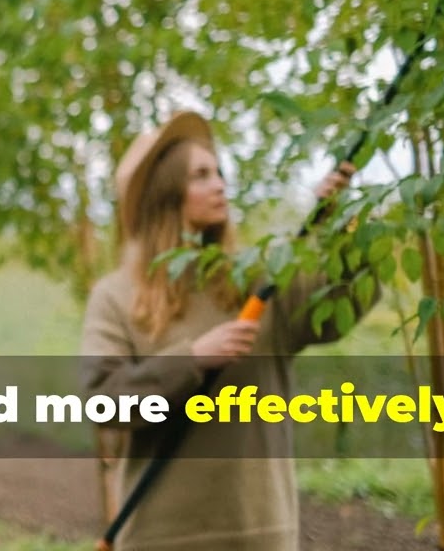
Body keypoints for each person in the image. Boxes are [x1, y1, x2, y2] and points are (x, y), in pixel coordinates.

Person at [80, 110, 373, 551]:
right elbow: (103, 404)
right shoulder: (117, 296)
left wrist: (342, 225)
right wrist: (191, 359)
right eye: (201, 175)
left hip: (260, 532)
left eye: (219, 172)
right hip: (159, 537)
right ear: (165, 193)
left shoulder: (256, 279)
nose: (220, 184)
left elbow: (337, 311)